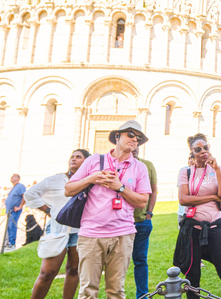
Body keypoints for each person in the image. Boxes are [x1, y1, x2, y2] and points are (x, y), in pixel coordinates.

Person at [65, 121, 151, 299]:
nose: (135, 139)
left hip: (123, 234)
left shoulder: (139, 167)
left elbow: (143, 202)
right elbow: (68, 190)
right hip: (91, 234)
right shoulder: (94, 160)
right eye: (130, 134)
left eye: (138, 137)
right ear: (117, 136)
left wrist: (120, 188)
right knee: (88, 291)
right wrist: (91, 178)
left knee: (116, 291)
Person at [177, 133, 221, 299]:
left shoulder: (219, 170)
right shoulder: (186, 172)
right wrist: (212, 197)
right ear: (192, 152)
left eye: (206, 147)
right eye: (198, 149)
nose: (203, 151)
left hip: (215, 227)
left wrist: (217, 169)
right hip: (193, 228)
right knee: (193, 275)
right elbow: (183, 199)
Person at [25, 149, 90, 299]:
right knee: (47, 272)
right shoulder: (56, 179)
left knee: (74, 269)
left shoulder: (89, 181)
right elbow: (30, 194)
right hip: (57, 229)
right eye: (72, 157)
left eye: (78, 157)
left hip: (80, 230)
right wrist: (48, 210)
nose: (73, 159)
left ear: (86, 161)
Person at [131, 148, 157, 299]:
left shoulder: (147, 165)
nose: (134, 148)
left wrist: (149, 214)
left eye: (137, 144)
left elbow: (153, 191)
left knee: (140, 260)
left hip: (141, 221)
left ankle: (142, 295)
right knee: (116, 262)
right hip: (120, 223)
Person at [4, 173, 26, 251]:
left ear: (18, 178)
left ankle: (12, 243)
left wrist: (20, 206)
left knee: (12, 226)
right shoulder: (13, 187)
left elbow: (25, 196)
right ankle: (8, 242)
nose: (11, 178)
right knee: (9, 227)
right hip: (9, 211)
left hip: (15, 210)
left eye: (13, 176)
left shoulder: (20, 186)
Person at [178, 154, 195, 225]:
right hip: (183, 212)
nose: (191, 160)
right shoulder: (184, 171)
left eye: (193, 158)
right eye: (190, 158)